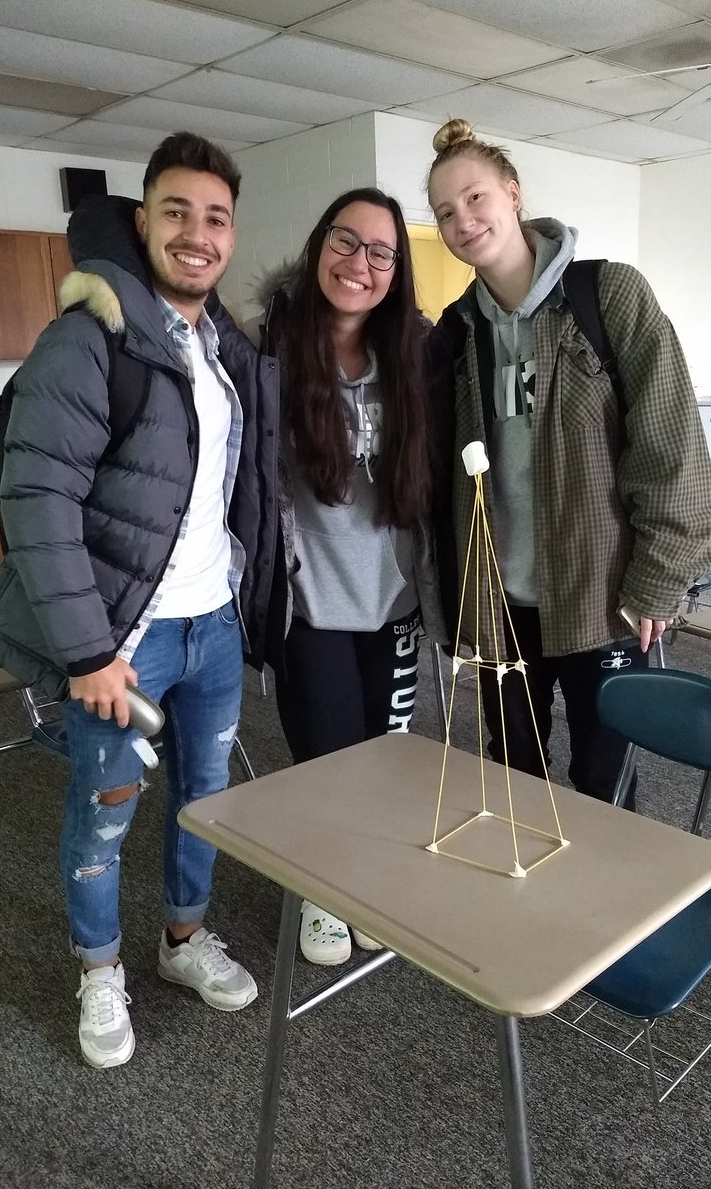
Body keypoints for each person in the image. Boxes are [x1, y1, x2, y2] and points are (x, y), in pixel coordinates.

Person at [0, 132, 280, 1068]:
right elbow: (36, 502)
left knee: (207, 796)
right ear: (142, 223)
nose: (197, 234)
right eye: (176, 212)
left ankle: (183, 942)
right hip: (124, 640)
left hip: (212, 625)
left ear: (230, 235)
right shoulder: (87, 338)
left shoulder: (222, 345)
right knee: (105, 804)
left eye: (215, 218)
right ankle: (99, 968)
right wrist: (88, 654)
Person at [426, 119, 711, 806]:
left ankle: (603, 913)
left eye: (474, 198)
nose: (463, 220)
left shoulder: (608, 295)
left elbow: (671, 446)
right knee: (512, 770)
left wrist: (657, 581)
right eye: (444, 212)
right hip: (502, 606)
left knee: (602, 779)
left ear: (513, 193)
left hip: (600, 598)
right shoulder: (457, 332)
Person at [253, 188, 443, 965]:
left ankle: (369, 881)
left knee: (386, 759)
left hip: (393, 602)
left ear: (396, 271)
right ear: (317, 244)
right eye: (345, 240)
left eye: (379, 252)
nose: (358, 263)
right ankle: (326, 893)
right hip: (313, 606)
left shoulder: (417, 356)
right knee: (328, 763)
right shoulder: (269, 350)